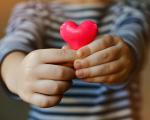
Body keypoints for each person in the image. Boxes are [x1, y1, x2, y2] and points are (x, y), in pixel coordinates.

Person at [0, 0, 149, 120]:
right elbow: (12, 45)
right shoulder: (33, 11)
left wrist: (127, 56)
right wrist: (17, 73)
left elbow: (135, 38)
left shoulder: (131, 9)